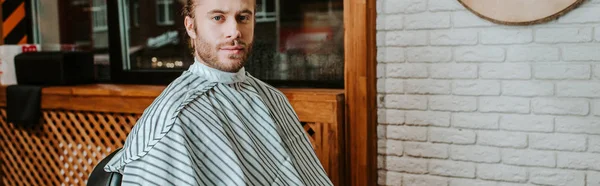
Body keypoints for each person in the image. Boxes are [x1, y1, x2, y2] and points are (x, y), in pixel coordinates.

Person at [103, 0, 333, 185]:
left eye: (243, 17)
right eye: (217, 18)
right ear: (191, 26)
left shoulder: (273, 98)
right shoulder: (174, 118)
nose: (234, 31)